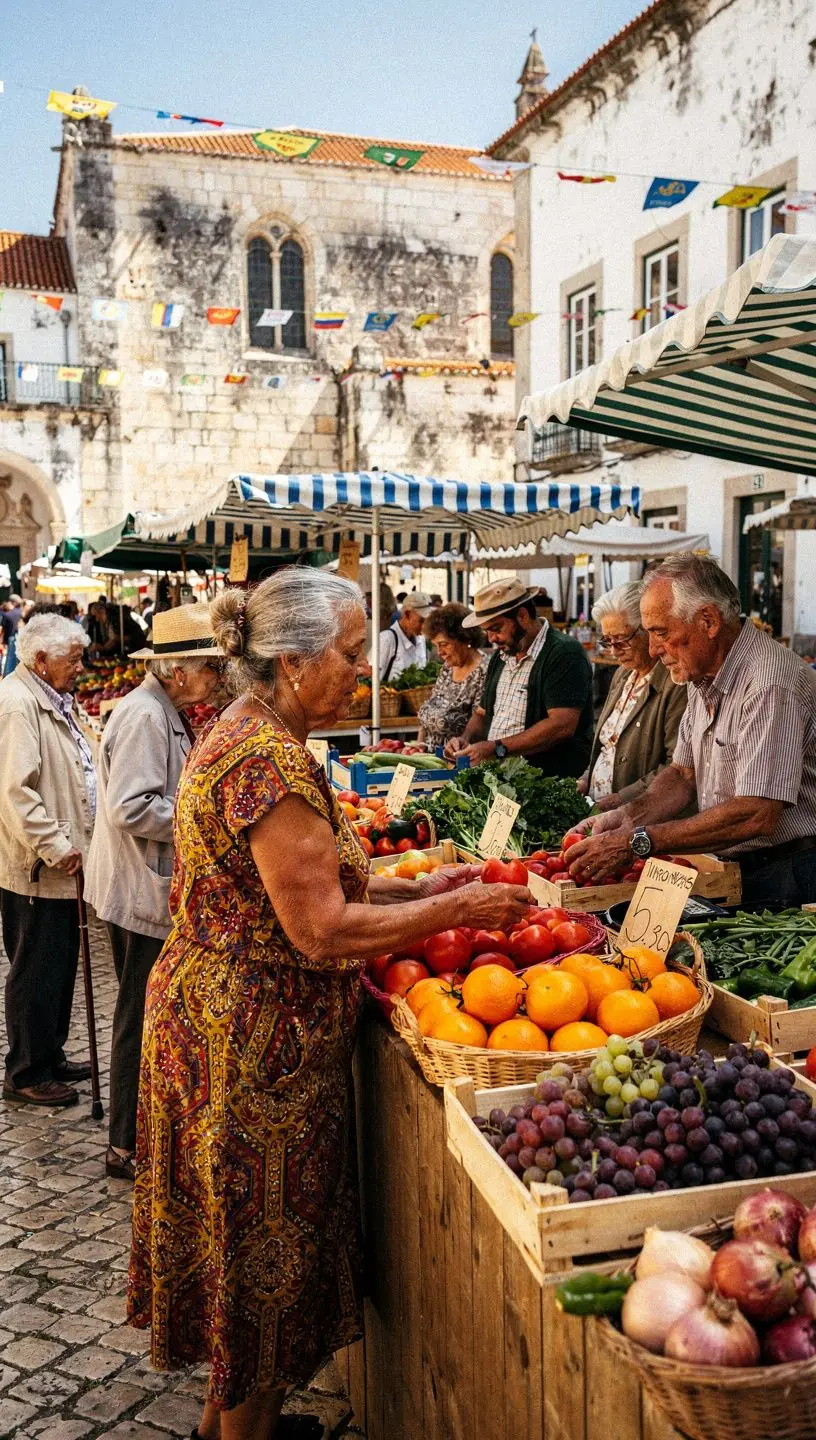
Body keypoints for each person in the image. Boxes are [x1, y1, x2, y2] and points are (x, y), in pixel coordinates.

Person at [128, 568, 530, 1439]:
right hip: (249, 1045)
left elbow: (313, 887)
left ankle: (220, 1429)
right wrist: (457, 909)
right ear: (294, 661)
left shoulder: (254, 729)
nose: (363, 671)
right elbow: (319, 930)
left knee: (246, 1253)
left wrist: (418, 887)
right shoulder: (266, 762)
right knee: (261, 1257)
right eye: (350, 655)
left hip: (233, 1022)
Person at [568, 554, 816, 904]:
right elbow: (683, 775)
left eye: (660, 632)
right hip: (734, 866)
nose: (653, 649)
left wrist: (641, 840)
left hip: (790, 873)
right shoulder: (703, 674)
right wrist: (626, 817)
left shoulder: (768, 684)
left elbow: (757, 812)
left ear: (708, 621)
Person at [84, 605, 224, 1181]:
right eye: (210, 666)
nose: (216, 676)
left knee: (142, 1011)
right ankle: (124, 1145)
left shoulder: (162, 709)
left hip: (142, 880)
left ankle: (138, 1134)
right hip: (138, 887)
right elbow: (131, 807)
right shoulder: (145, 715)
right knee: (138, 1016)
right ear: (179, 670)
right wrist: (204, 816)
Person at [0, 613, 95, 1106]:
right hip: (39, 865)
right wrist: (55, 846)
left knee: (57, 964)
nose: (80, 667)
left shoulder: (52, 698)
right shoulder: (17, 705)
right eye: (72, 659)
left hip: (62, 860)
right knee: (35, 968)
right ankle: (26, 1072)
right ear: (40, 660)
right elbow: (15, 793)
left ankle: (50, 1053)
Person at [445, 577, 594, 776]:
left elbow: (561, 725)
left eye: (496, 629)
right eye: (487, 631)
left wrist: (496, 748)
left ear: (522, 616)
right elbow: (482, 713)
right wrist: (465, 739)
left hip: (544, 779)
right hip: (500, 778)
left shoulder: (564, 653)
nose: (491, 638)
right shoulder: (501, 656)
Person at [579, 583, 688, 811]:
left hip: (639, 814)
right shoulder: (622, 674)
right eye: (607, 640)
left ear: (647, 631)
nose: (613, 651)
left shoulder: (674, 683)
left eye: (621, 640)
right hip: (597, 808)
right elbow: (607, 744)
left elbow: (676, 765)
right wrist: (586, 779)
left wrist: (620, 799)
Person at [418, 602, 488, 749]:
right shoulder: (447, 668)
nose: (439, 652)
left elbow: (479, 722)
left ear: (465, 638)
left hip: (459, 756)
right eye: (436, 645)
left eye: (444, 644)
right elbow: (431, 707)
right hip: (429, 755)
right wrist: (420, 745)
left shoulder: (484, 671)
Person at [375, 590, 433, 683]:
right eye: (421, 621)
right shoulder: (386, 640)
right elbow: (372, 680)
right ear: (407, 614)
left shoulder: (421, 639)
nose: (424, 627)